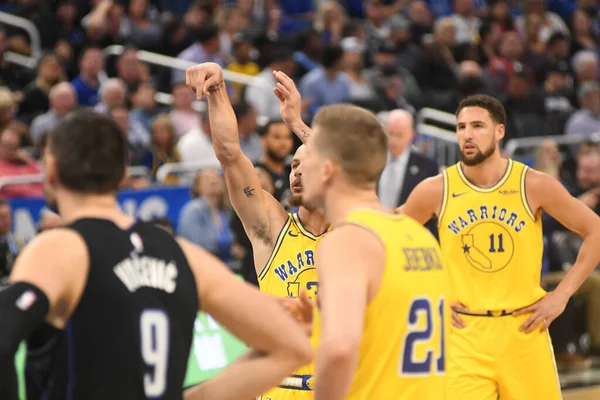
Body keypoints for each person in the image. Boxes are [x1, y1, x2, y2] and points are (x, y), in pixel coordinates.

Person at [0, 110, 312, 400]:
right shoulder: (183, 255)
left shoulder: (59, 249)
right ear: (123, 174)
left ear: (50, 170)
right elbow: (293, 346)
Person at [400, 94, 600, 399]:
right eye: (461, 127)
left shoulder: (532, 184)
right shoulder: (435, 189)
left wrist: (561, 295)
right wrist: (424, 294)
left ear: (499, 131)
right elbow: (386, 236)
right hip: (464, 334)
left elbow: (595, 230)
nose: (467, 134)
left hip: (524, 331)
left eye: (478, 126)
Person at [185, 63, 329, 399]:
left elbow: (357, 174)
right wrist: (218, 91)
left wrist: (297, 124)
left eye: (306, 165)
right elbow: (231, 156)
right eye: (293, 165)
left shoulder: (354, 231)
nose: (296, 171)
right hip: (281, 387)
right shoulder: (272, 227)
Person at [295, 103, 450, 400]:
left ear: (327, 169)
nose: (301, 167)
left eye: (308, 156)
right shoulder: (419, 235)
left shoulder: (348, 240)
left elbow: (340, 348)